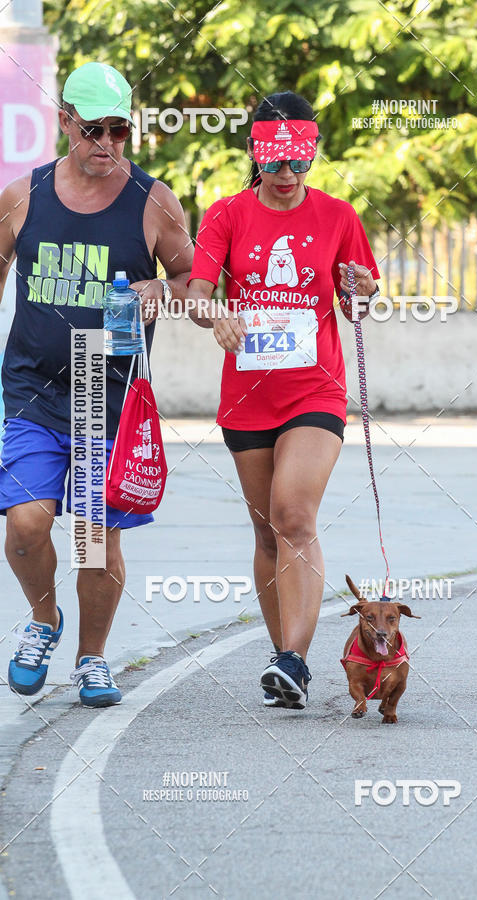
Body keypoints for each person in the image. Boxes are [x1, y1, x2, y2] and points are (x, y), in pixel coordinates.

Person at [0, 62, 193, 706]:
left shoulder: (153, 200)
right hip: (31, 388)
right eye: (93, 129)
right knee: (26, 524)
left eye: (119, 130)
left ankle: (91, 657)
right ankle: (44, 619)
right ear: (65, 124)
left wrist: (162, 287)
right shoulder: (23, 196)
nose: (106, 143)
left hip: (104, 398)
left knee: (92, 538)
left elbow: (200, 283)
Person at [187, 91, 380, 709]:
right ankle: (287, 665)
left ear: (314, 155)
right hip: (247, 398)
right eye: (277, 164)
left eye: (301, 163)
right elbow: (195, 292)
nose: (290, 176)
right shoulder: (226, 215)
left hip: (315, 391)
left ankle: (294, 655)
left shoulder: (338, 216)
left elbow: (357, 300)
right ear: (254, 155)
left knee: (293, 513)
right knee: (268, 532)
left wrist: (363, 286)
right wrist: (214, 313)